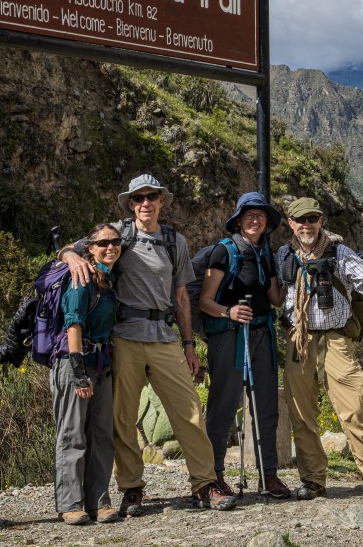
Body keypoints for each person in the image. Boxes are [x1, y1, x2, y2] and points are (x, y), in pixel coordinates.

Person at [60, 174, 235, 516]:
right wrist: (71, 258)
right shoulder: (118, 233)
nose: (146, 203)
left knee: (189, 411)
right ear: (130, 203)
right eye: (138, 198)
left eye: (151, 197)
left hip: (164, 336)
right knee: (123, 418)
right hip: (124, 336)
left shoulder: (174, 241)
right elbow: (70, 247)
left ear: (161, 201)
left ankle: (204, 483)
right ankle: (131, 489)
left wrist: (188, 343)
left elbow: (181, 296)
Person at [274, 197, 363, 504]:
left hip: (336, 339)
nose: (307, 225)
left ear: (320, 221)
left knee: (354, 408)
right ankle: (313, 480)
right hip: (299, 339)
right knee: (301, 414)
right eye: (301, 220)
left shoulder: (339, 253)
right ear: (291, 223)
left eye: (312, 219)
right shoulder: (284, 255)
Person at [198, 192, 291, 499]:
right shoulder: (224, 251)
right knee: (223, 404)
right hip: (230, 335)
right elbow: (205, 300)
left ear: (267, 223)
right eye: (249, 215)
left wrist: (294, 274)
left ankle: (268, 475)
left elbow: (275, 298)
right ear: (238, 221)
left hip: (262, 333)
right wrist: (229, 311)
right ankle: (213, 475)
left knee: (266, 404)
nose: (255, 220)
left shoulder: (266, 252)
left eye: (261, 216)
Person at [53, 222, 120, 525]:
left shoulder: (109, 278)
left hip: (102, 365)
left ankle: (99, 501)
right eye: (103, 243)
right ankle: (71, 504)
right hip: (75, 364)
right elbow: (73, 325)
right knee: (73, 434)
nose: (110, 247)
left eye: (115, 242)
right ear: (90, 248)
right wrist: (79, 373)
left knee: (101, 433)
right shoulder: (81, 279)